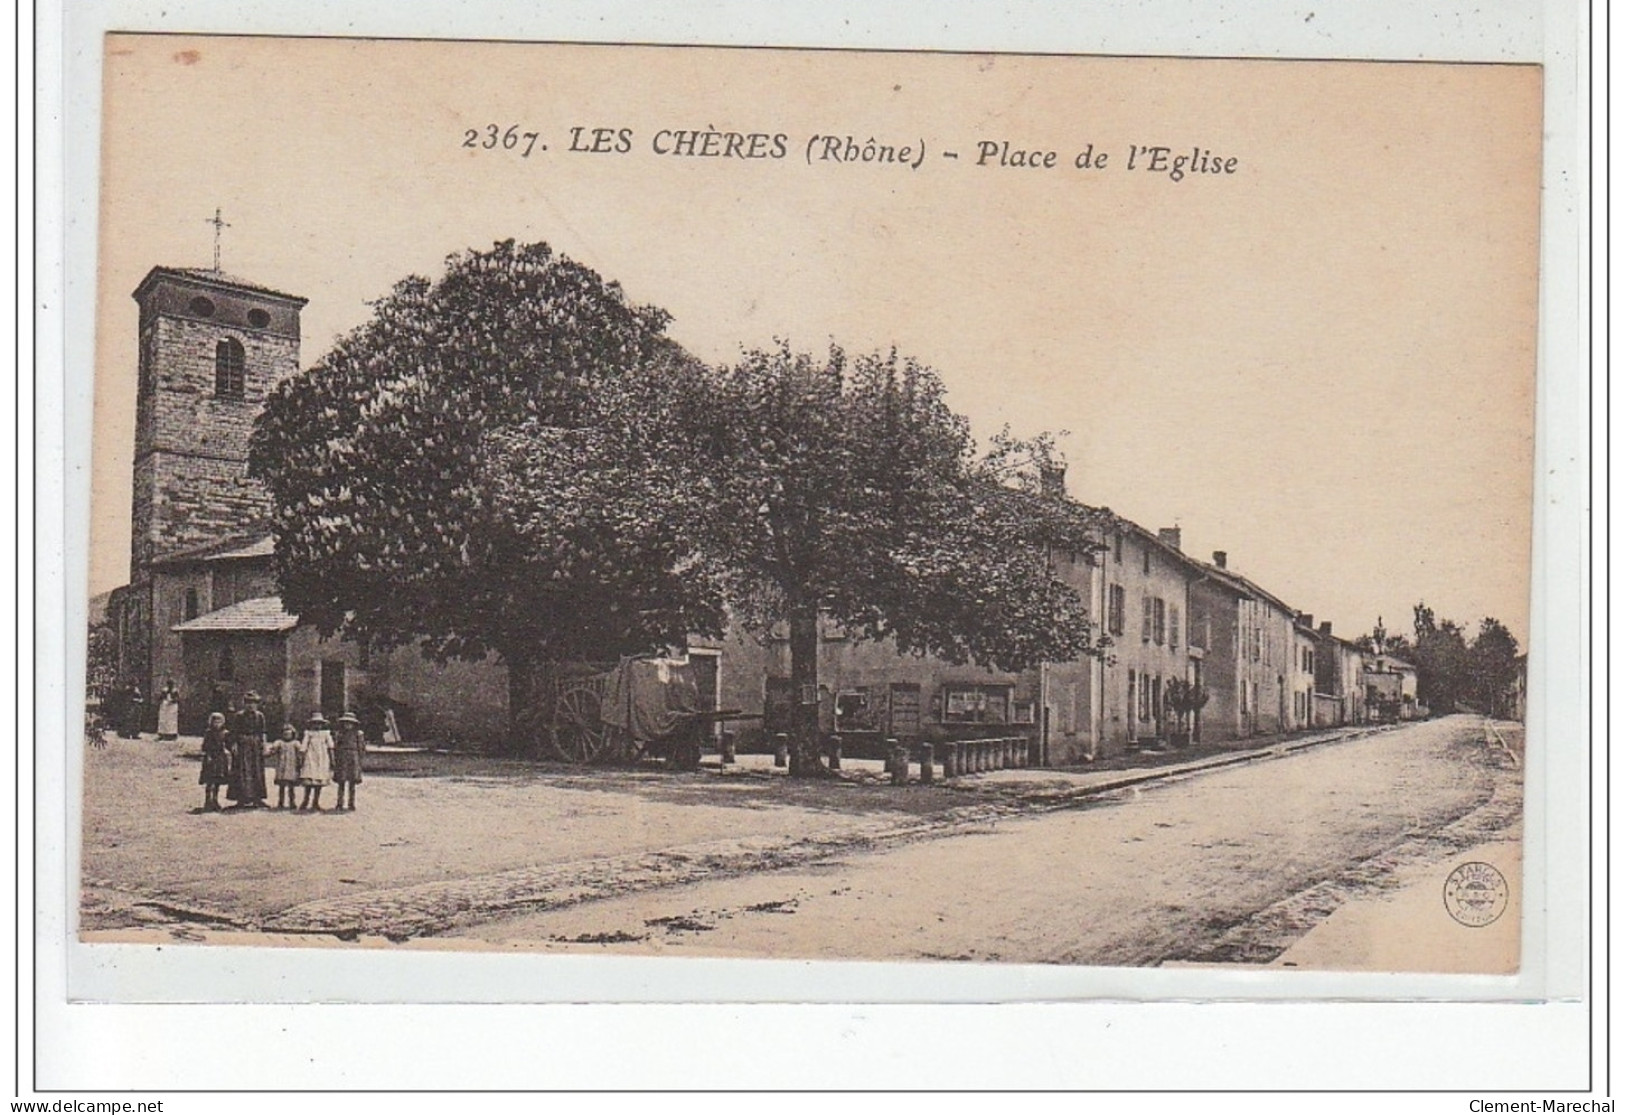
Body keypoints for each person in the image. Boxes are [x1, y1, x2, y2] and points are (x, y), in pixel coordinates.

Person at [226, 691, 269, 808]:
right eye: (248, 703)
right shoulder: (239, 716)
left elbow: (263, 732)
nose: (251, 705)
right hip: (242, 744)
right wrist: (234, 744)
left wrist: (264, 745)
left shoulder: (260, 716)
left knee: (257, 770)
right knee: (241, 770)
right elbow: (233, 732)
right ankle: (241, 798)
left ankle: (257, 798)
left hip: (255, 745)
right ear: (244, 704)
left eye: (254, 703)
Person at [297, 711, 334, 812]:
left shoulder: (326, 734)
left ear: (322, 724)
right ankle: (305, 800)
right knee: (309, 781)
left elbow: (331, 746)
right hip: (310, 757)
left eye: (319, 723)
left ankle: (315, 802)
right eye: (315, 723)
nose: (317, 725)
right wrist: (301, 758)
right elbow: (303, 747)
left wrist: (332, 759)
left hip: (322, 758)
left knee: (319, 780)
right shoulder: (308, 733)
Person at [198, 711, 232, 812]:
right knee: (210, 781)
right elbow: (205, 746)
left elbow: (228, 745)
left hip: (220, 759)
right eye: (215, 721)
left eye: (219, 721)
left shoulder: (225, 733)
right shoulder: (209, 733)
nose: (217, 724)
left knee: (217, 781)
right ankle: (208, 800)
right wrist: (208, 755)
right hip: (211, 758)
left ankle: (215, 800)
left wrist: (228, 751)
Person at [332, 711, 365, 811]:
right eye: (346, 723)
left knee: (352, 783)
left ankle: (351, 803)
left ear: (354, 724)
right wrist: (336, 758)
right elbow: (336, 746)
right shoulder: (340, 734)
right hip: (342, 758)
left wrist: (360, 760)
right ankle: (339, 803)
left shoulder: (358, 734)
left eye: (350, 723)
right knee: (341, 782)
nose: (348, 725)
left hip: (353, 758)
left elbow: (361, 748)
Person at [267, 723, 304, 810]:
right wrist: (269, 752)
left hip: (292, 766)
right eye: (285, 734)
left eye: (289, 734)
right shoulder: (279, 743)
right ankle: (281, 802)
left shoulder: (296, 743)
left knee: (291, 787)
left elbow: (300, 753)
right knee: (282, 786)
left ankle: (292, 802)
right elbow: (273, 749)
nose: (287, 736)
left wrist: (300, 762)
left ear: (293, 734)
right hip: (282, 767)